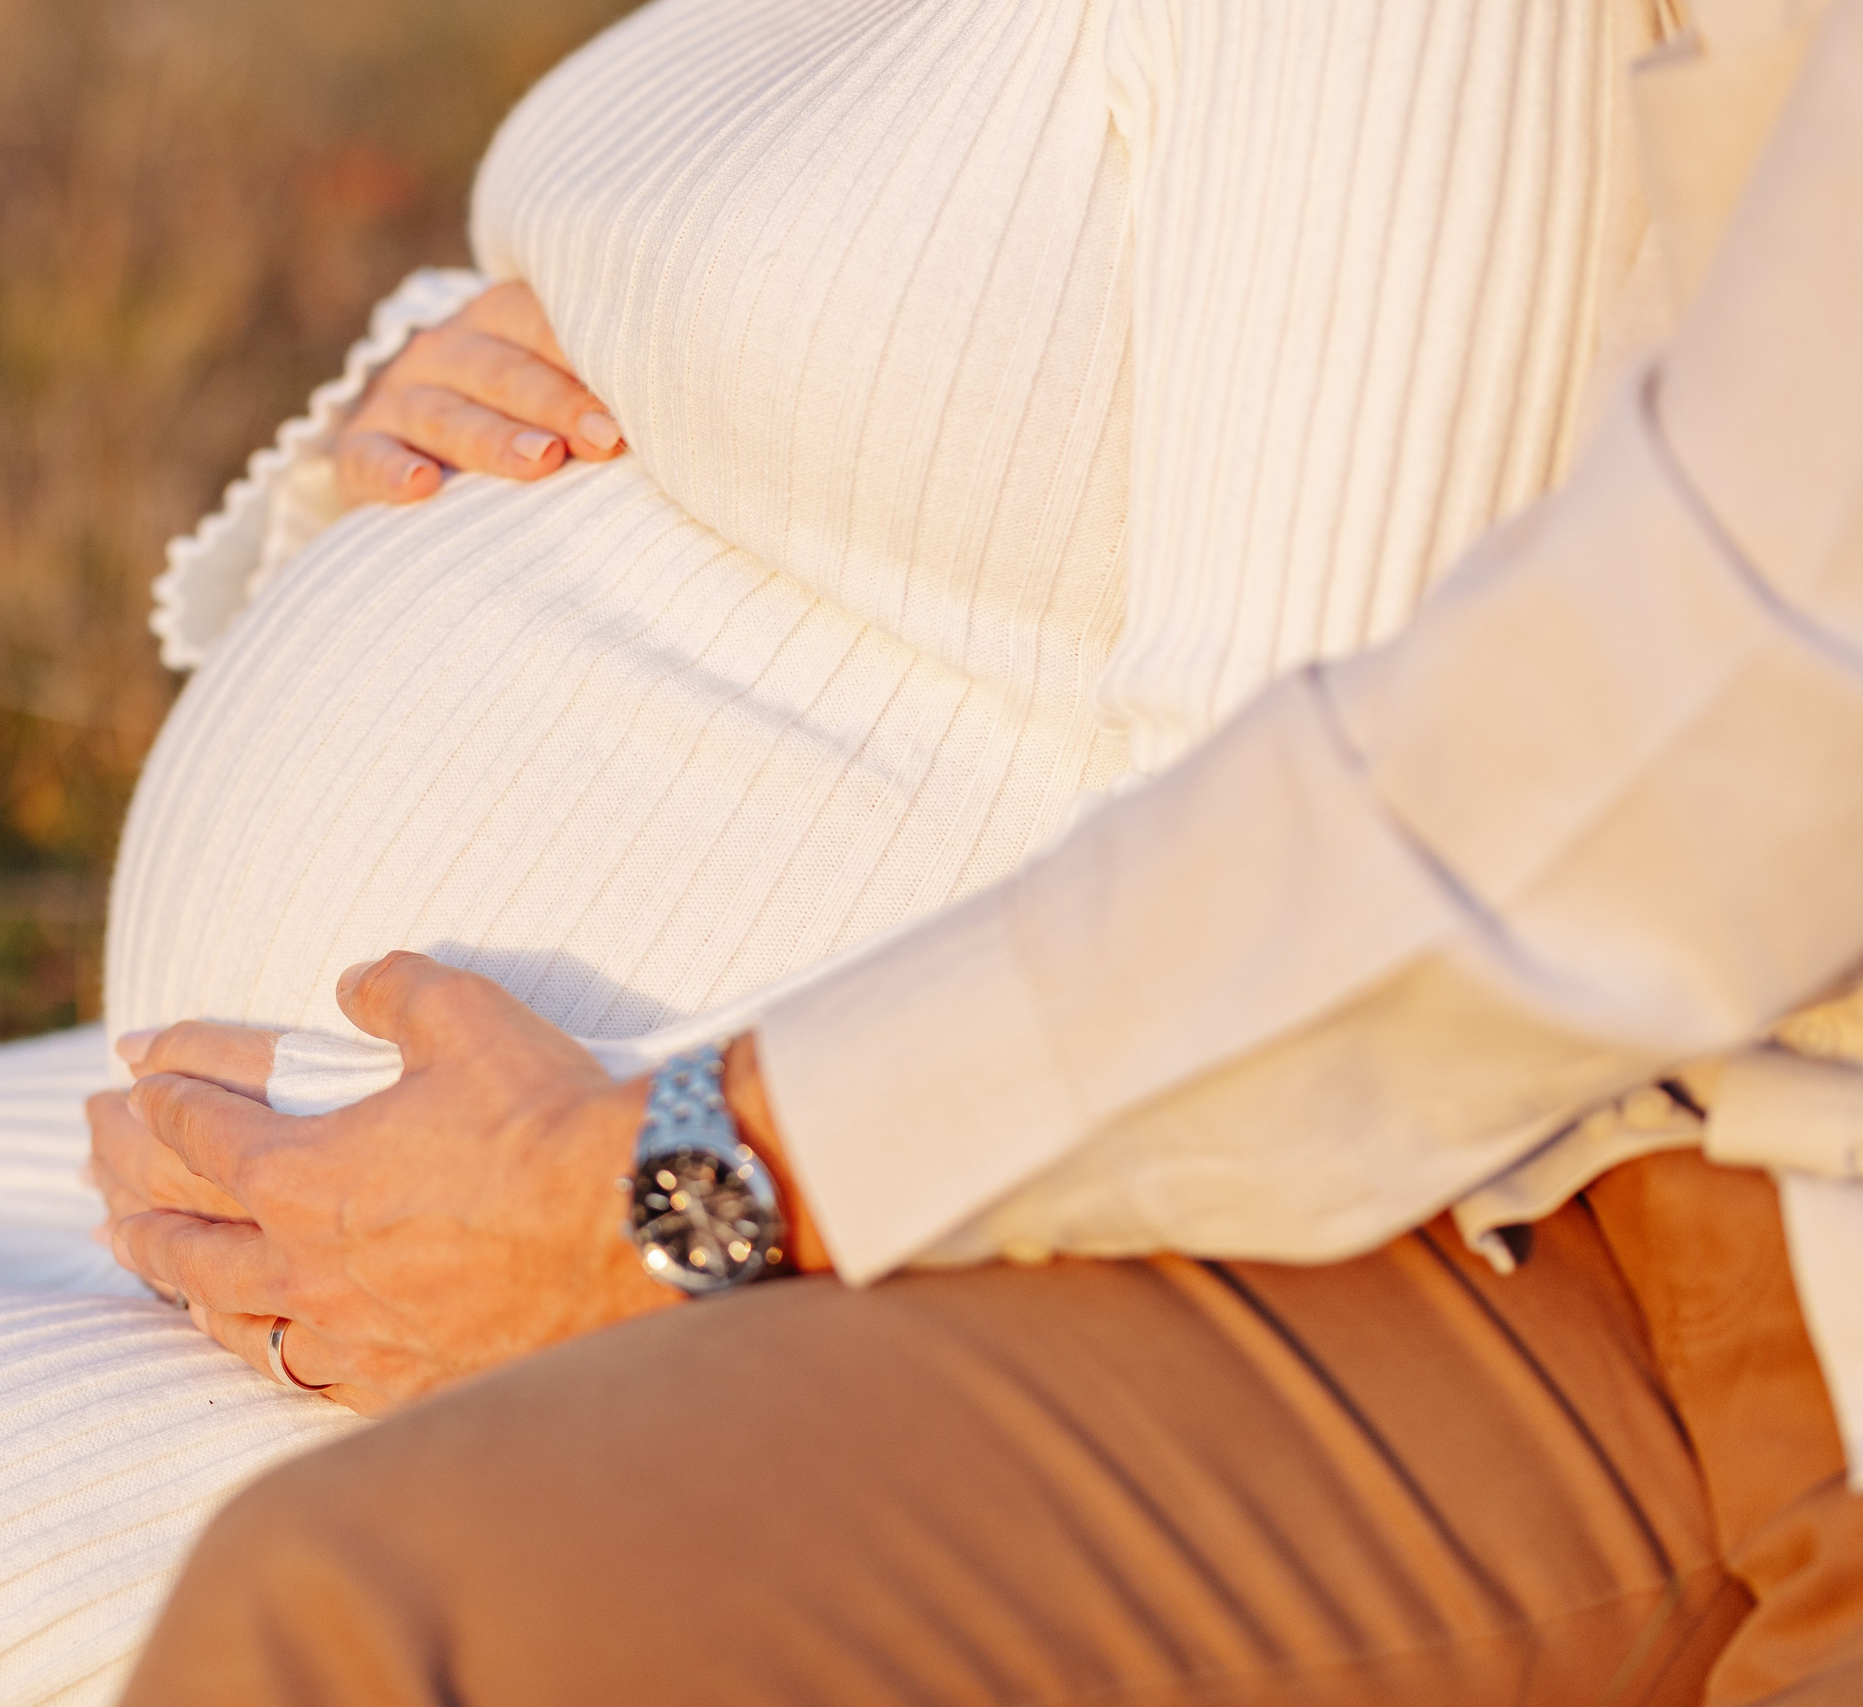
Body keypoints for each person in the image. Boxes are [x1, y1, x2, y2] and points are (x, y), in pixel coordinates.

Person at [0, 0, 1786, 1701]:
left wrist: (664, 1190)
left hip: (744, 1270)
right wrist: (407, 422)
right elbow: (849, 336)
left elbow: (1312, 845)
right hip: (271, 1187)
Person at [102, 2, 1863, 1700]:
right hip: (412, 1184)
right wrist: (404, 434)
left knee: (336, 1630)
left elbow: (1589, 749)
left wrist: (666, 1180)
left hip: (1569, 1196)